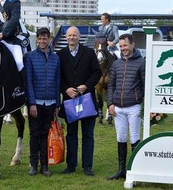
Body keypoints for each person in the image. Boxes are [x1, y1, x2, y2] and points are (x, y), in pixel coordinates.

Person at [57, 26, 101, 176]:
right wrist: (65, 89)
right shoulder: (60, 54)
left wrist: (86, 86)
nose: (71, 38)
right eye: (69, 35)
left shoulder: (88, 52)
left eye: (74, 35)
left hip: (87, 100)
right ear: (66, 37)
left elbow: (97, 72)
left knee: (88, 135)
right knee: (71, 134)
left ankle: (87, 166)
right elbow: (58, 77)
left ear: (79, 36)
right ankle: (71, 165)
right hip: (70, 101)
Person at [107, 33, 145, 180]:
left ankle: (136, 169)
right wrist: (110, 103)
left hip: (134, 106)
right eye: (121, 46)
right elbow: (111, 85)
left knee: (134, 137)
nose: (123, 48)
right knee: (121, 137)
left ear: (132, 45)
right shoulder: (116, 63)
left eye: (125, 45)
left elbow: (144, 83)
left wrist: (141, 100)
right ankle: (121, 170)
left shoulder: (141, 62)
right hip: (118, 108)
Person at [24, 27, 61, 177]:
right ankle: (33, 164)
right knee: (34, 134)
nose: (42, 41)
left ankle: (44, 165)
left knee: (46, 135)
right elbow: (28, 82)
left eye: (45, 38)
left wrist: (58, 104)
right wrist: (31, 103)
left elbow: (58, 81)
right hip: (36, 103)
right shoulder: (30, 57)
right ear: (37, 40)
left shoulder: (56, 58)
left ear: (49, 39)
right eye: (39, 38)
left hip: (51, 103)